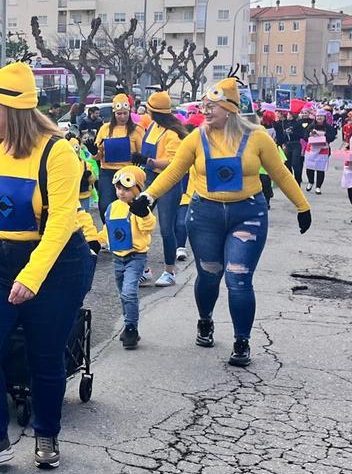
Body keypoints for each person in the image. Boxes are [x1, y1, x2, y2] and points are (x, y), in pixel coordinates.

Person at [0, 62, 91, 472]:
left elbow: (64, 220)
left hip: (56, 265)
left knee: (44, 356)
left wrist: (32, 277)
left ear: (12, 110)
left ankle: (46, 431)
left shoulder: (57, 151)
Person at [132, 77, 312, 367]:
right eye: (204, 105)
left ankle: (242, 340)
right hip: (205, 215)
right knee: (209, 275)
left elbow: (280, 172)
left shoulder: (258, 137)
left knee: (238, 279)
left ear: (230, 108)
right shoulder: (196, 137)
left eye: (211, 105)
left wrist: (302, 206)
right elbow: (175, 171)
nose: (205, 110)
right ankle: (205, 320)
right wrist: (148, 197)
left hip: (248, 215)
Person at [100, 167, 157, 349]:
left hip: (135, 257)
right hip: (117, 258)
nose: (121, 192)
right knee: (123, 295)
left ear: (137, 189)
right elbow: (107, 229)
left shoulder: (139, 208)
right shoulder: (112, 207)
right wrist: (97, 240)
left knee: (129, 292)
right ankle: (128, 323)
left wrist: (144, 213)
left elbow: (149, 226)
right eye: (118, 188)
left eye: (125, 189)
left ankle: (132, 328)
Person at [139, 91, 188, 287]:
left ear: (154, 111)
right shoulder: (152, 126)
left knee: (166, 229)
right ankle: (143, 269)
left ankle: (169, 271)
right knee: (139, 222)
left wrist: (149, 161)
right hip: (149, 179)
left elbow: (174, 162)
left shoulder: (173, 133)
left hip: (168, 182)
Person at [94, 93, 145, 225]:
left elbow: (143, 154)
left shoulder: (136, 130)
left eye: (125, 113)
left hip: (127, 172)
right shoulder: (104, 129)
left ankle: (129, 233)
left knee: (128, 206)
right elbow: (98, 155)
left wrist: (140, 159)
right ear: (114, 114)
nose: (122, 117)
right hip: (107, 172)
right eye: (119, 114)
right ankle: (109, 231)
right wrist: (94, 151)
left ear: (129, 112)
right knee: (105, 205)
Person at [302, 110, 336, 194]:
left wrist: (323, 135)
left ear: (324, 118)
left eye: (321, 116)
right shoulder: (311, 126)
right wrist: (311, 134)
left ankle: (318, 186)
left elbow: (332, 137)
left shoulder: (328, 127)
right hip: (311, 150)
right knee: (309, 167)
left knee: (320, 168)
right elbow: (305, 137)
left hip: (323, 150)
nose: (319, 118)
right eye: (318, 116)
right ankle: (310, 182)